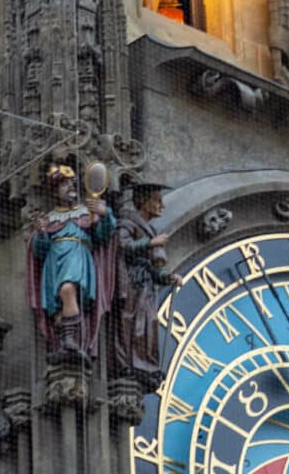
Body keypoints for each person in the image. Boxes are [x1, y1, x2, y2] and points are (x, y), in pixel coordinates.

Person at [26, 164, 116, 359]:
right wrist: (41, 234)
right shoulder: (50, 219)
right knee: (59, 310)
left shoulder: (85, 213)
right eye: (64, 185)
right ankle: (65, 342)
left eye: (72, 185)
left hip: (77, 255)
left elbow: (103, 236)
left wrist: (105, 214)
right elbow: (39, 252)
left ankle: (71, 339)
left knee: (68, 290)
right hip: (54, 261)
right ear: (54, 191)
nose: (70, 188)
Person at [112, 182, 182, 390]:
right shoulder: (128, 222)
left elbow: (154, 267)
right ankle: (127, 364)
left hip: (146, 283)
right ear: (143, 201)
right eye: (157, 200)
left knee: (148, 323)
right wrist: (149, 244)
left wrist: (168, 276)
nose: (162, 205)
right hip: (131, 280)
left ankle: (144, 365)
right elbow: (121, 246)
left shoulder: (150, 229)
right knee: (132, 323)